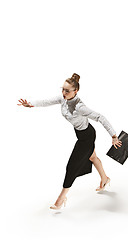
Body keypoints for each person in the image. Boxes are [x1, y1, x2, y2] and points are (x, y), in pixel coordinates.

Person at [17, 73, 122, 210]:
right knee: (92, 157)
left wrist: (113, 136)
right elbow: (47, 101)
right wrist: (31, 104)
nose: (63, 92)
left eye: (67, 90)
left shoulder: (80, 107)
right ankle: (105, 178)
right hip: (81, 134)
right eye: (63, 89)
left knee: (72, 166)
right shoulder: (63, 98)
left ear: (75, 91)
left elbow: (100, 117)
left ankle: (61, 198)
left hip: (87, 137)